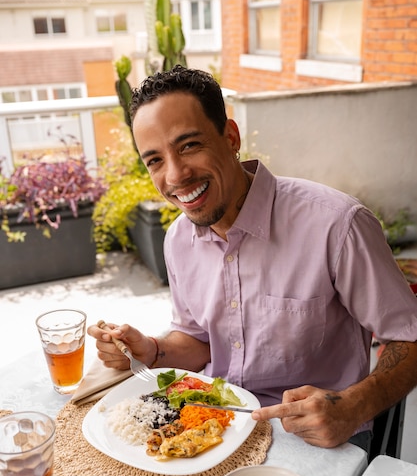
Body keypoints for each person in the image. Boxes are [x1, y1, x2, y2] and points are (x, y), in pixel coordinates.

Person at [88, 65, 417, 455]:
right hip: (215, 426)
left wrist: (354, 406)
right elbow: (198, 339)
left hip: (318, 440)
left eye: (189, 145)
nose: (175, 176)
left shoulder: (338, 224)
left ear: (230, 137)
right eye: (155, 160)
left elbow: (409, 336)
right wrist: (151, 349)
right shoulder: (178, 239)